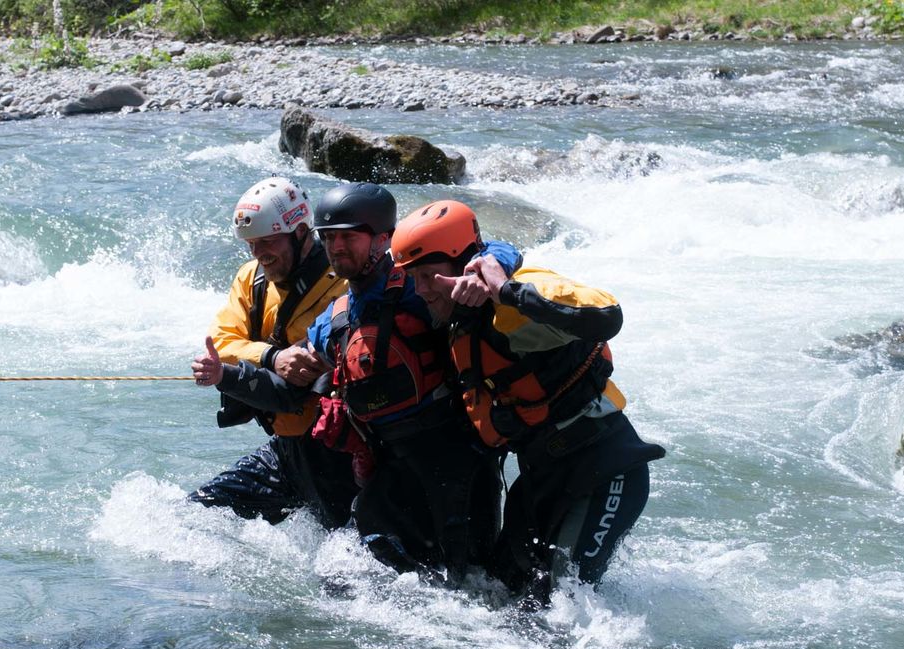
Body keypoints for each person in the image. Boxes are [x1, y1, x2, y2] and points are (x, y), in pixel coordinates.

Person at [198, 182, 523, 585]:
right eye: (330, 238)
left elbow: (485, 248)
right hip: (392, 468)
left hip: (460, 463)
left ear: (382, 239)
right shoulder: (334, 319)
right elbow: (290, 391)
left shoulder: (418, 285)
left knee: (476, 584)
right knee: (344, 577)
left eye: (349, 237)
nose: (337, 247)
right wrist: (226, 376)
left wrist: (490, 268)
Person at [390, 199, 665, 603]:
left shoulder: (516, 304)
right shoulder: (457, 317)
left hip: (605, 471)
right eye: (413, 278)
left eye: (428, 276)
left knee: (561, 608)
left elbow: (608, 314)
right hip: (542, 476)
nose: (421, 290)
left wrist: (505, 290)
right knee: (499, 594)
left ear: (463, 263)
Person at [188, 177, 357, 529]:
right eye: (251, 244)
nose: (258, 253)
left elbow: (300, 380)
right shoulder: (251, 278)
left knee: (342, 567)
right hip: (286, 452)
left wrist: (242, 361)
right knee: (191, 515)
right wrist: (271, 358)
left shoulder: (341, 282)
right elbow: (220, 344)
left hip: (337, 454)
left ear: (300, 232)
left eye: (267, 241)